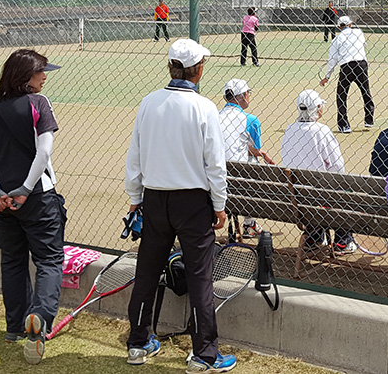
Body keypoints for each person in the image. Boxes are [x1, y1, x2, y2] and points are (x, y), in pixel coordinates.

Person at [123, 38, 236, 372]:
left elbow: (135, 157)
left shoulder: (149, 103)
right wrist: (220, 204)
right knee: (200, 276)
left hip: (155, 199)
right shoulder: (204, 108)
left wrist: (135, 199)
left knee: (146, 270)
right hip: (193, 203)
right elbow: (215, 164)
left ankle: (139, 341)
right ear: (198, 70)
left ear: (170, 66)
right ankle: (204, 354)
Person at [0, 49, 64, 364]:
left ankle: (14, 326)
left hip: (2, 201)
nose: (44, 77)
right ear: (25, 76)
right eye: (41, 72)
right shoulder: (39, 104)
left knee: (12, 261)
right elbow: (44, 154)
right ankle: (39, 317)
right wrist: (26, 189)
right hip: (37, 196)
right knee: (50, 261)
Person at [282, 90, 353, 254]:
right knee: (345, 192)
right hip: (321, 195)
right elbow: (338, 167)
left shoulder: (289, 129)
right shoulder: (322, 131)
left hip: (297, 197)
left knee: (316, 191)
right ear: (318, 108)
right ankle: (342, 241)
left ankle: (315, 235)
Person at [219, 78, 274, 239]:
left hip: (215, 174)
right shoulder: (250, 120)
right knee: (253, 163)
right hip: (238, 180)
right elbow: (254, 149)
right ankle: (249, 222)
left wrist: (261, 152)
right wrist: (261, 153)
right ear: (243, 95)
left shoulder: (214, 116)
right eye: (248, 93)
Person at [319, 15, 374, 134]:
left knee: (341, 95)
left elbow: (332, 59)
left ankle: (344, 125)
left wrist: (327, 77)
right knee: (366, 91)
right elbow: (364, 45)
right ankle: (369, 120)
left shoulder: (336, 40)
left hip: (347, 67)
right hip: (362, 64)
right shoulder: (359, 32)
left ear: (339, 27)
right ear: (350, 24)